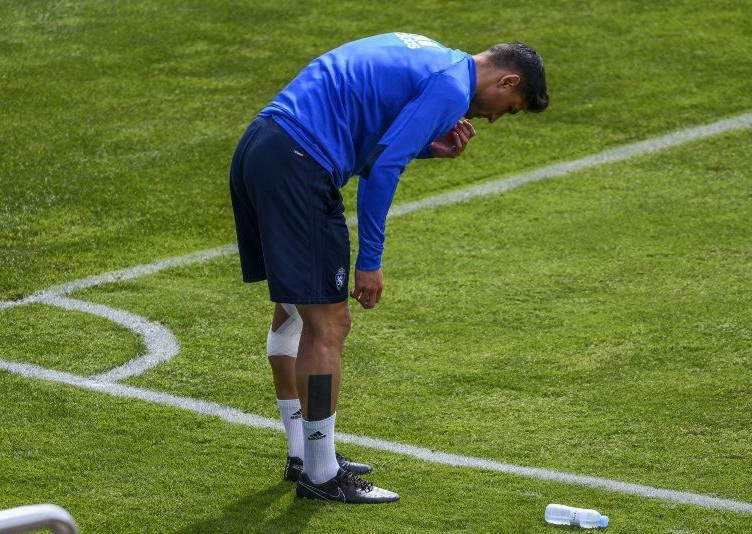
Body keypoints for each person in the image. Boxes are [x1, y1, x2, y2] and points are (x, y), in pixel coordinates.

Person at [229, 32, 548, 504]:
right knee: (330, 323)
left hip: (264, 145)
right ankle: (321, 476)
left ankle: (307, 456)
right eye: (509, 106)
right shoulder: (451, 87)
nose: (496, 116)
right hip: (300, 165)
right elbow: (382, 170)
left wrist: (424, 146)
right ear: (508, 79)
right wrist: (370, 262)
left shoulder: (436, 59)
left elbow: (371, 131)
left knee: (294, 312)